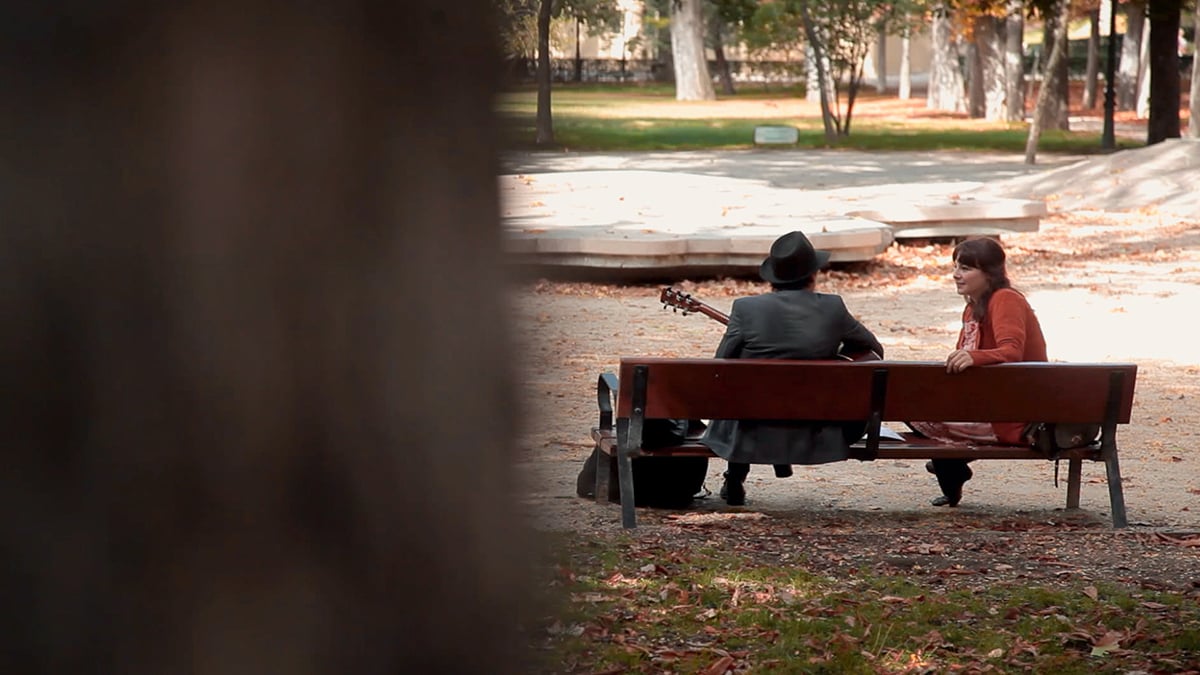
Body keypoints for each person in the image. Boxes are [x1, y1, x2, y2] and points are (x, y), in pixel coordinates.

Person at [700, 230, 884, 506]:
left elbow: (722, 365)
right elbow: (874, 350)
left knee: (742, 395)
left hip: (753, 425)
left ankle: (735, 475)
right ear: (814, 274)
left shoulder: (745, 308)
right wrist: (833, 357)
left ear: (773, 277)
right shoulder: (832, 307)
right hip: (817, 428)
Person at [910, 237, 1048, 507]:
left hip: (1016, 414)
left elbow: (1012, 352)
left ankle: (951, 467)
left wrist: (973, 357)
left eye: (965, 269)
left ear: (989, 274)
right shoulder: (973, 307)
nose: (956, 275)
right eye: (955, 267)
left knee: (916, 412)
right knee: (917, 407)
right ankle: (952, 468)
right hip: (991, 403)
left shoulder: (1006, 299)